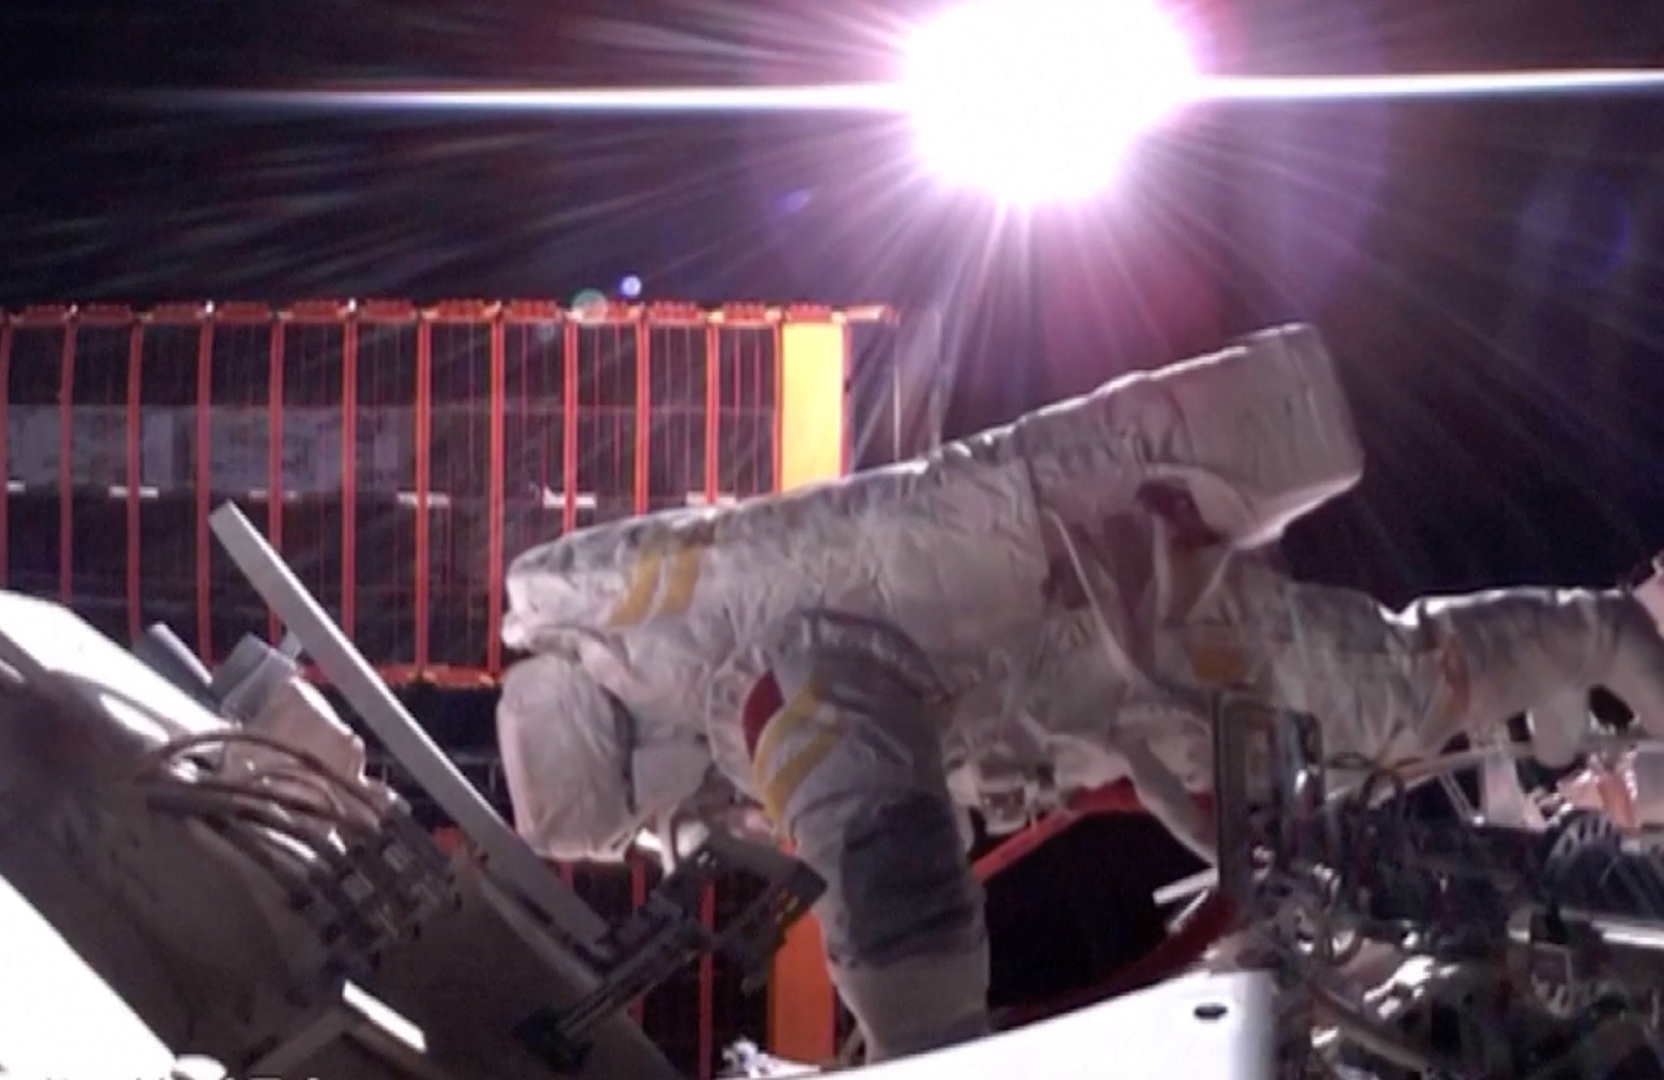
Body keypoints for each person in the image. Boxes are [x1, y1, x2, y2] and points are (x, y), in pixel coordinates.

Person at [493, 323, 1664, 1063]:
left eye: (643, 822)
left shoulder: (764, 697)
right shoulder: (748, 669)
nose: (672, 832)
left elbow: (887, 856)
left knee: (1406, 690)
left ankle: (1609, 637)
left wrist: (929, 1051)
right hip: (1128, 679)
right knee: (1402, 698)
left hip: (1142, 630)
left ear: (631, 762)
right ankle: (1601, 648)